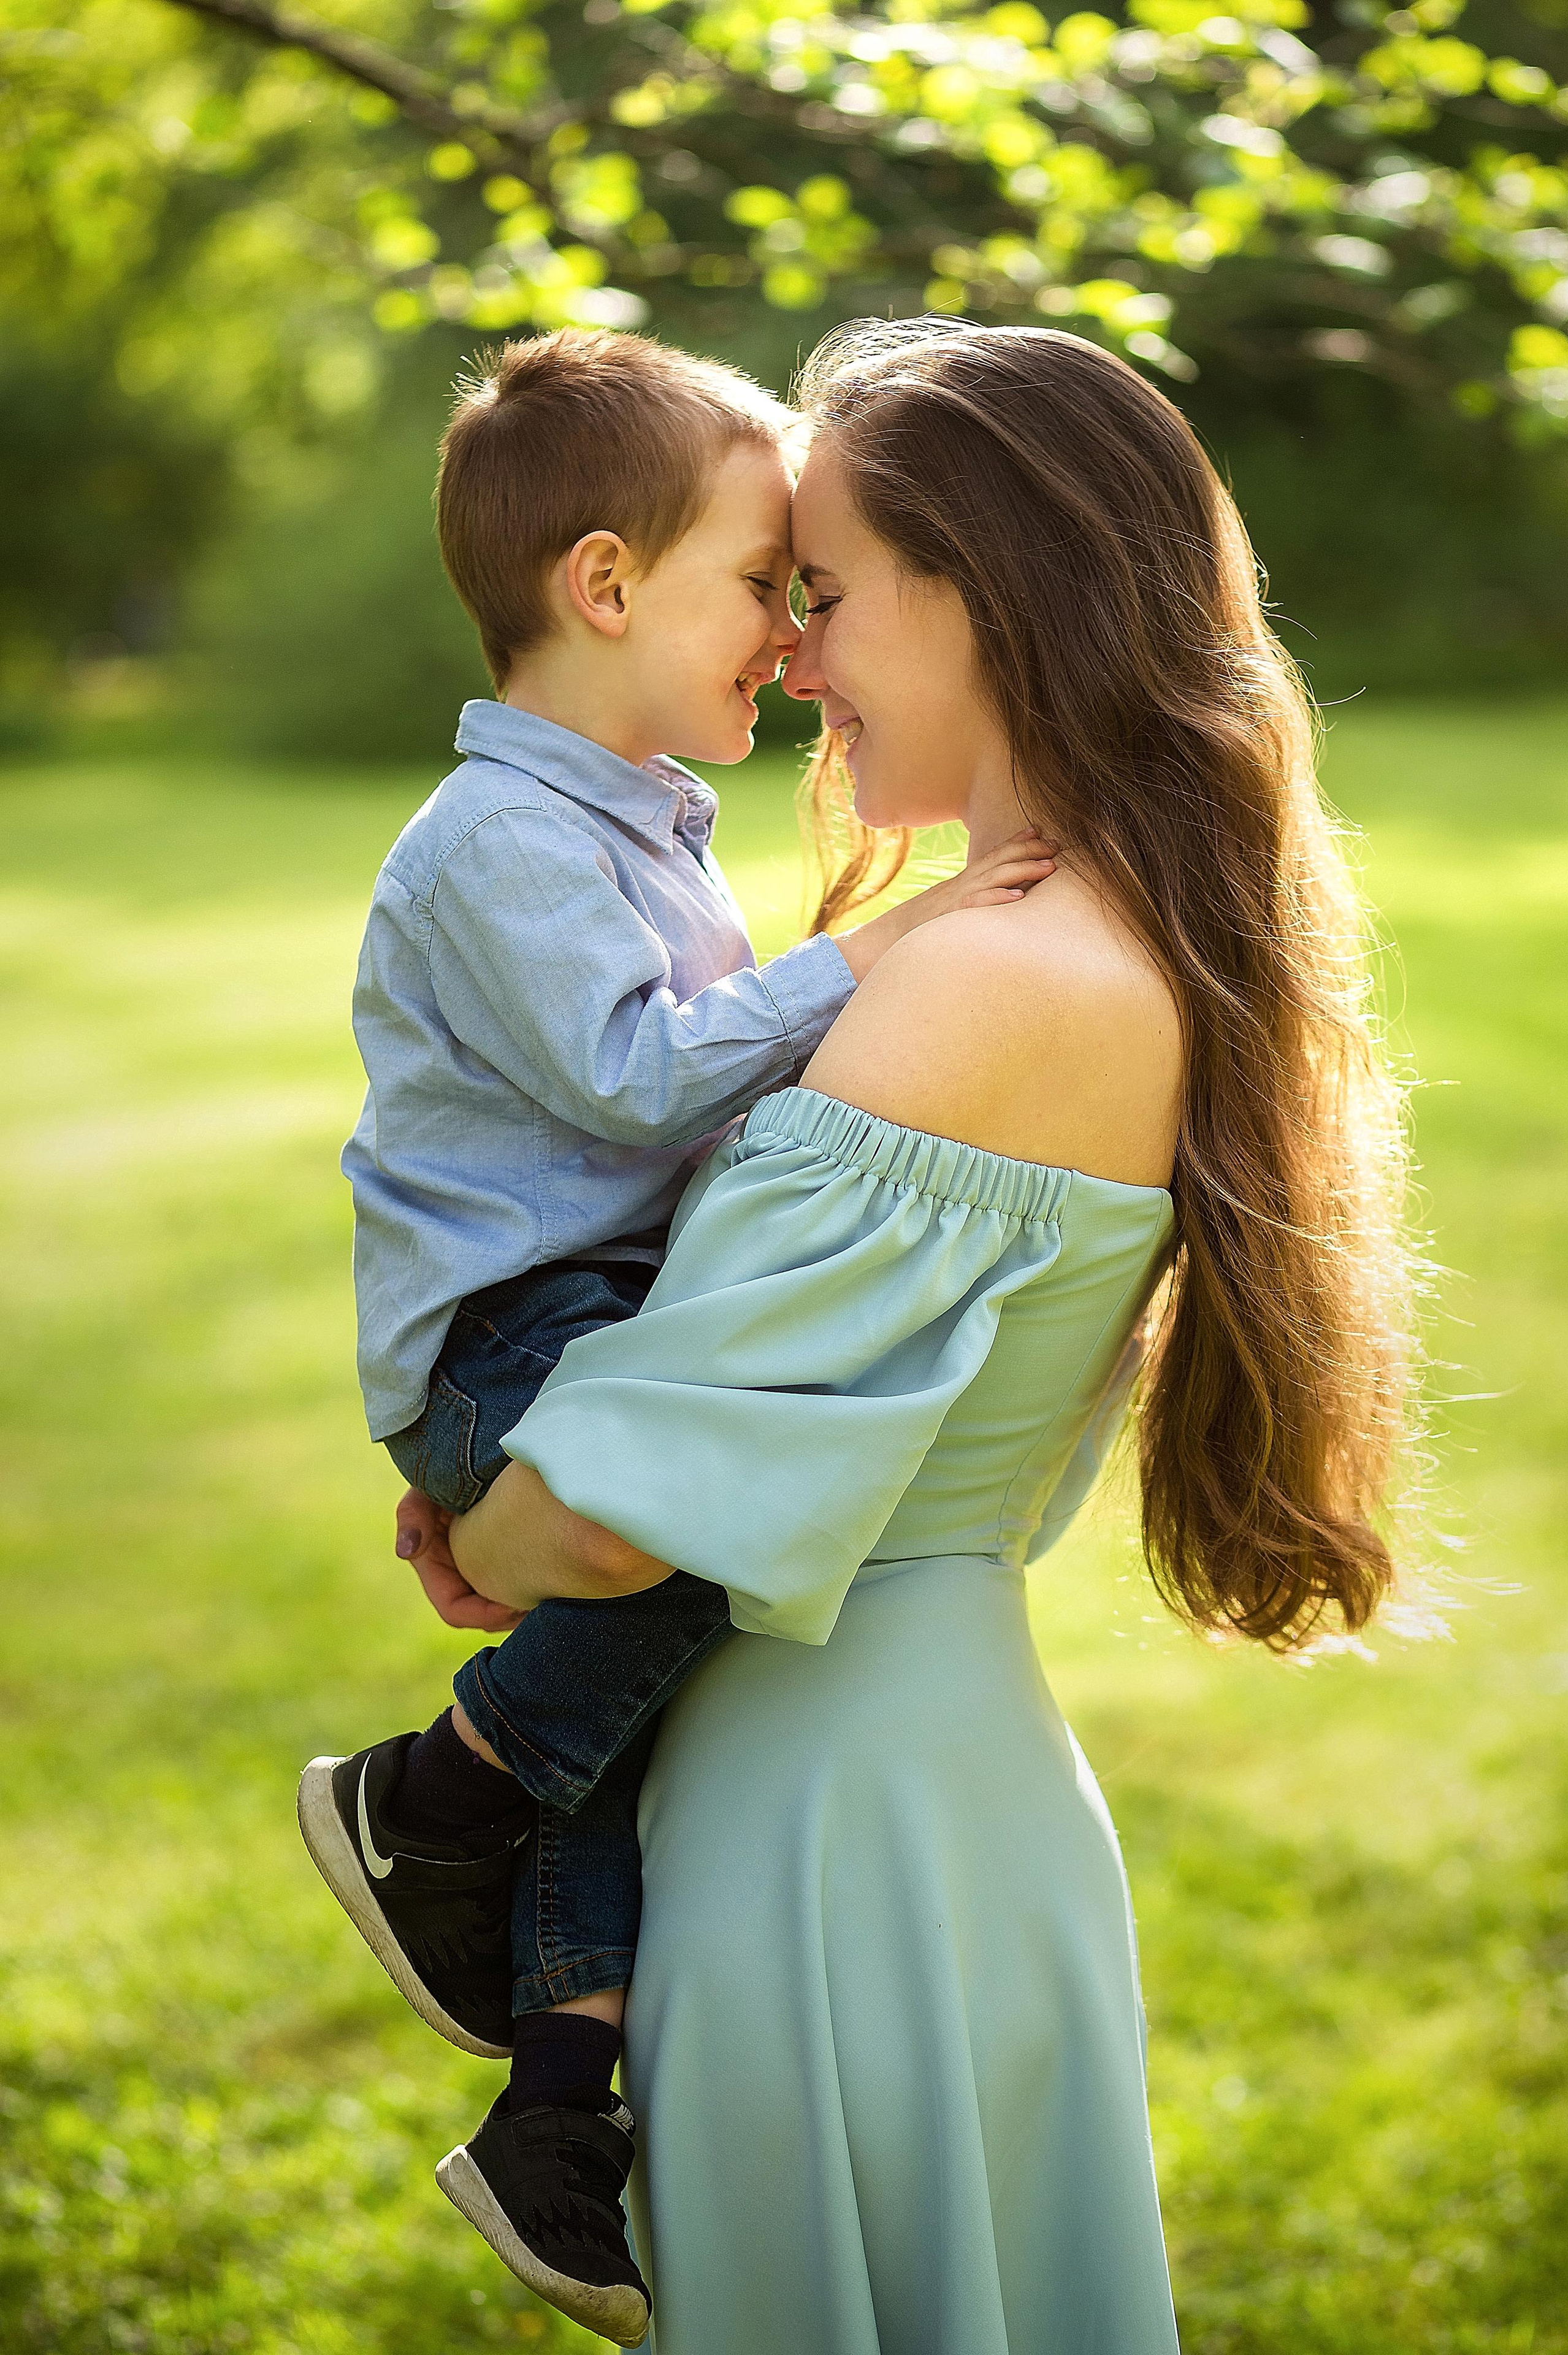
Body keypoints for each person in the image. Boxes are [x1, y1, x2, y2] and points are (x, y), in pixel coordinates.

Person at [423, 316, 1419, 2353]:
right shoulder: (1112, 929)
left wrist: (485, 1527)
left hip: (831, 1832)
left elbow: (601, 1528)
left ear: (994, 597)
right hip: (928, 1799)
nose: (790, 657)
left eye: (830, 594)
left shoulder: (989, 986)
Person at [297, 326, 1055, 2345]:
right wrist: (884, 948)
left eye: (813, 597)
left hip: (599, 1311)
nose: (789, 640)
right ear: (608, 584)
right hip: (514, 1331)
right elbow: (640, 1085)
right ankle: (434, 1795)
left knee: (619, 1754)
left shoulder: (642, 818)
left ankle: (557, 2113)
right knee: (710, 1527)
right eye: (761, 586)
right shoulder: (501, 839)